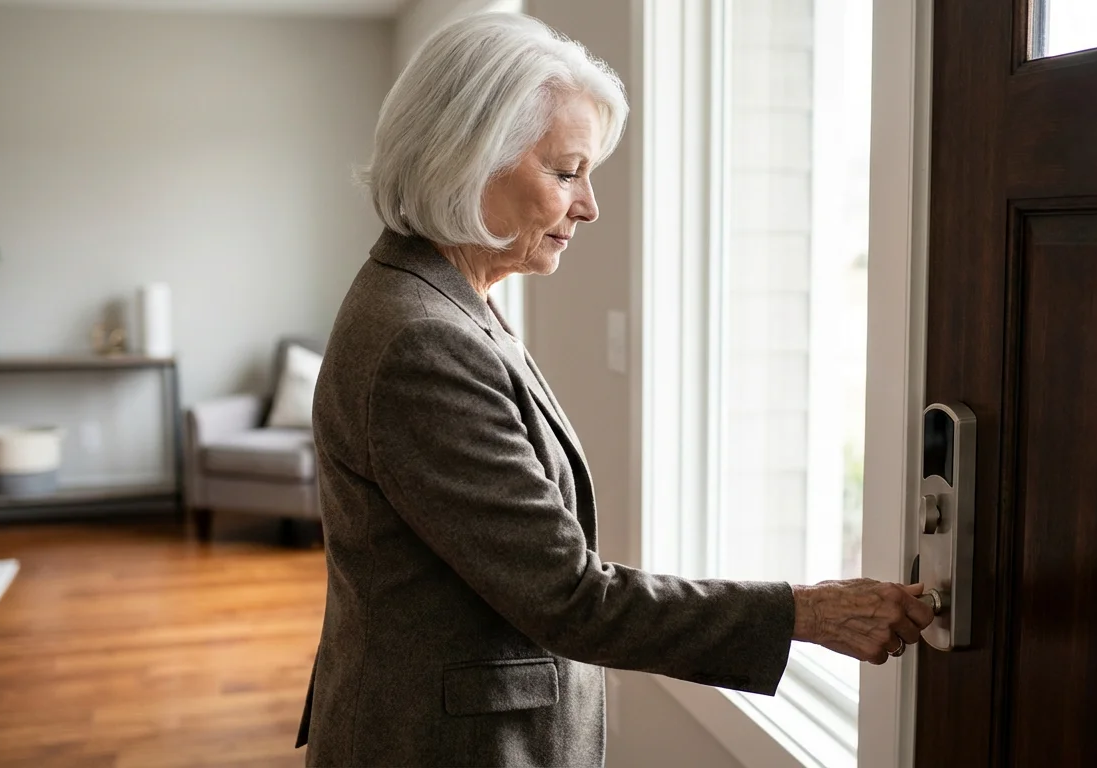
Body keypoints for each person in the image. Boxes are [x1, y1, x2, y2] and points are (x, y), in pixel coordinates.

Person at [295, 12, 934, 767]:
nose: (588, 205)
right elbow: (569, 597)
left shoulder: (438, 299)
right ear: (462, 159)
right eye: (565, 172)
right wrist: (808, 612)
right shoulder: (421, 340)